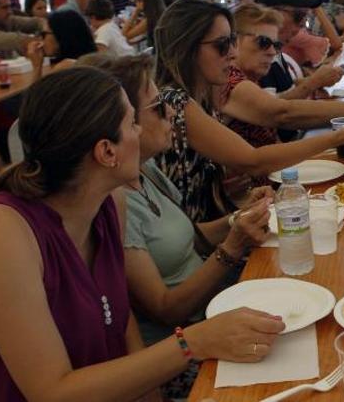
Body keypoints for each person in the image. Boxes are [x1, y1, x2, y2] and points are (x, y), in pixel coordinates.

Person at [0, 68, 286, 401]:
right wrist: (193, 343)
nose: (141, 130)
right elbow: (52, 391)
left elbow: (123, 324)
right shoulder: (1, 235)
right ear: (106, 152)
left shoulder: (110, 202)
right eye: (132, 122)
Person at [75, 54, 272, 398]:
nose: (170, 114)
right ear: (115, 136)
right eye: (156, 107)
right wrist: (232, 247)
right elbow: (166, 309)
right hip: (181, 353)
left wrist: (236, 220)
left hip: (212, 316)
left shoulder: (143, 170)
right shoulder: (111, 203)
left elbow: (189, 239)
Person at [154, 0, 344, 222]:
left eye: (232, 42)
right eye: (221, 45)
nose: (232, 53)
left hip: (220, 223)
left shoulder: (204, 95)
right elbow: (255, 158)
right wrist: (339, 137)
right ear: (186, 47)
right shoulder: (175, 101)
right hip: (201, 244)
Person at [221, 4, 344, 190]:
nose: (272, 51)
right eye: (263, 42)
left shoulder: (247, 79)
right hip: (252, 200)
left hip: (273, 186)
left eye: (276, 45)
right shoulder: (228, 81)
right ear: (233, 42)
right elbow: (283, 113)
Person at [255, 0, 344, 102]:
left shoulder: (275, 49)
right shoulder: (257, 53)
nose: (302, 24)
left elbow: (284, 87)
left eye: (305, 17)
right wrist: (315, 82)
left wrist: (319, 79)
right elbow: (271, 108)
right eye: (298, 16)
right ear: (272, 13)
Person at [26, 9, 98, 79]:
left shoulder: (65, 67)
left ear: (61, 35)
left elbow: (37, 91)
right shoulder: (91, 60)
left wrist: (37, 67)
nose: (40, 39)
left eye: (44, 34)